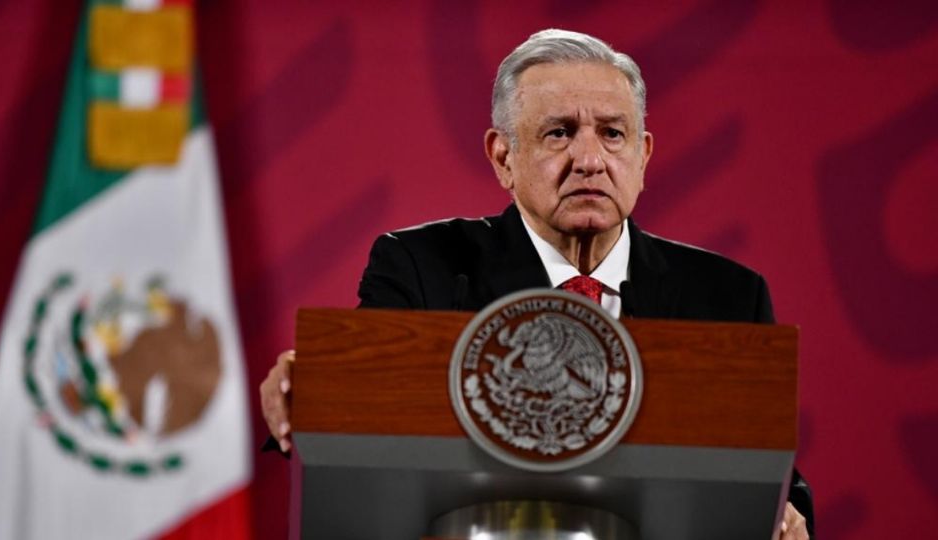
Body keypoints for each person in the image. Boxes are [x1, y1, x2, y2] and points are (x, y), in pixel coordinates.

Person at [259, 29, 814, 539]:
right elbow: (360, 402)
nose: (590, 159)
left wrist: (788, 519)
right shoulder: (423, 268)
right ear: (504, 157)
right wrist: (310, 390)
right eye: (560, 133)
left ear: (642, 156)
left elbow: (768, 476)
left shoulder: (726, 297)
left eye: (613, 134)